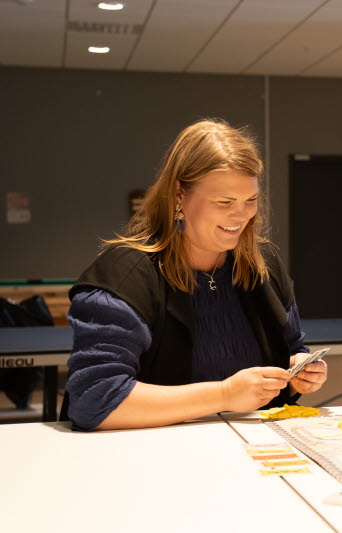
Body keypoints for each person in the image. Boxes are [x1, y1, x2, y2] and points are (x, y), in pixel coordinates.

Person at [64, 119, 327, 431]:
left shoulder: (263, 263)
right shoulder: (125, 274)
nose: (241, 215)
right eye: (224, 202)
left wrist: (299, 372)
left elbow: (292, 349)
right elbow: (94, 400)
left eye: (251, 200)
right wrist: (224, 395)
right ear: (179, 194)